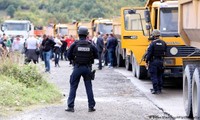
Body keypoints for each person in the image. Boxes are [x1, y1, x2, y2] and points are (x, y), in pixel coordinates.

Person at [65, 26, 98, 112]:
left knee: (73, 86)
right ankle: (91, 106)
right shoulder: (91, 44)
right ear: (87, 34)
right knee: (89, 87)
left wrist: (73, 60)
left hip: (77, 67)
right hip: (87, 68)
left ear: (78, 34)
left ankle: (70, 107)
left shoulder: (75, 44)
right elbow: (97, 54)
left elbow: (68, 55)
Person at [145, 30, 167, 94]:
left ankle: (155, 89)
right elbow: (166, 52)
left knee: (154, 76)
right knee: (159, 75)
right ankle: (159, 89)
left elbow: (149, 54)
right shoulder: (163, 43)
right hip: (161, 61)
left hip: (153, 62)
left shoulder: (152, 44)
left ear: (154, 36)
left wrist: (147, 61)